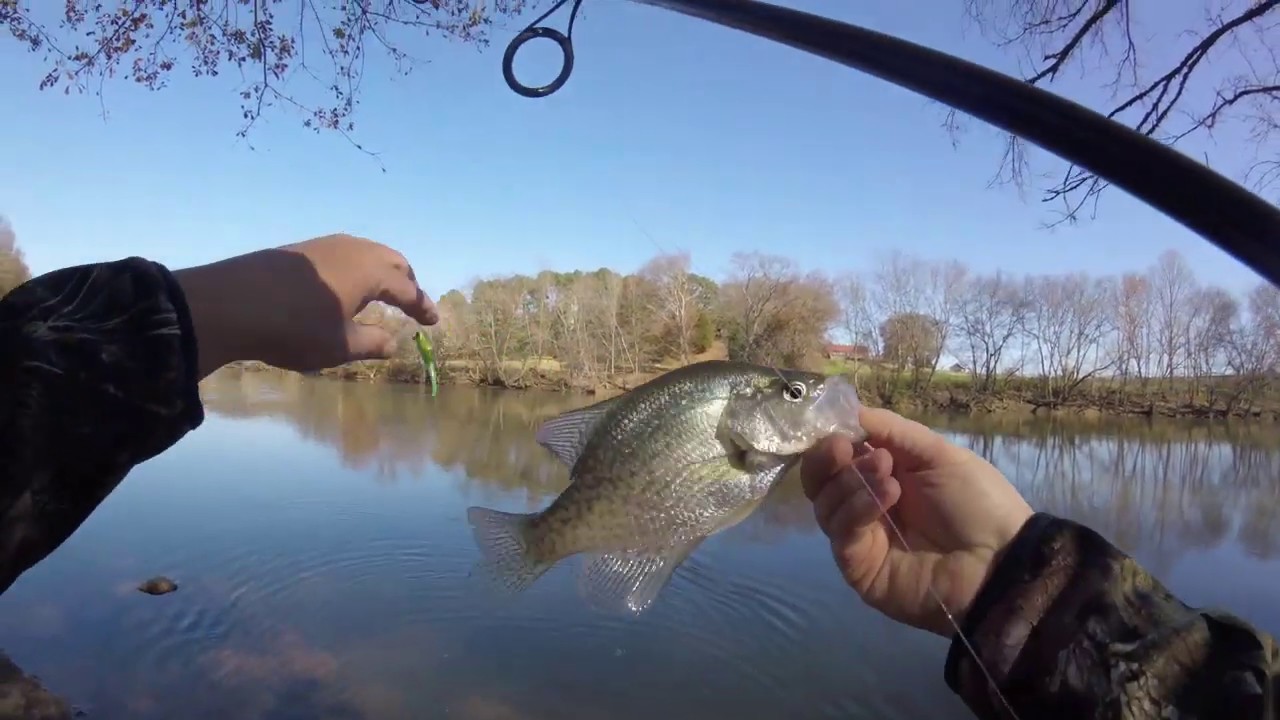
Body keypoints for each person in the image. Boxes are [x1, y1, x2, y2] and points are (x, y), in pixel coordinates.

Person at [0, 234, 1274, 719]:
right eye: (783, 397)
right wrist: (1015, 586)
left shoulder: (748, 430)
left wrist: (1013, 586)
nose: (802, 405)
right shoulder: (728, 422)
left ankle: (549, 541)